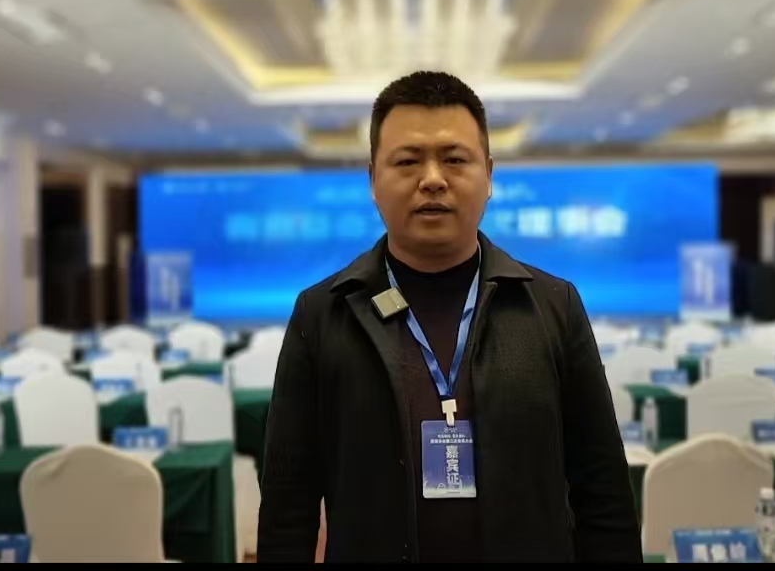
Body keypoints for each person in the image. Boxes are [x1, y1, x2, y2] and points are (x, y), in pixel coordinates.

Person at [257, 71, 641, 563]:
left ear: (489, 175)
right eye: (408, 161)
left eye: (455, 159)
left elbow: (602, 489)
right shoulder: (322, 313)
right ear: (373, 179)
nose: (433, 179)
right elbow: (288, 504)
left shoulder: (553, 306)